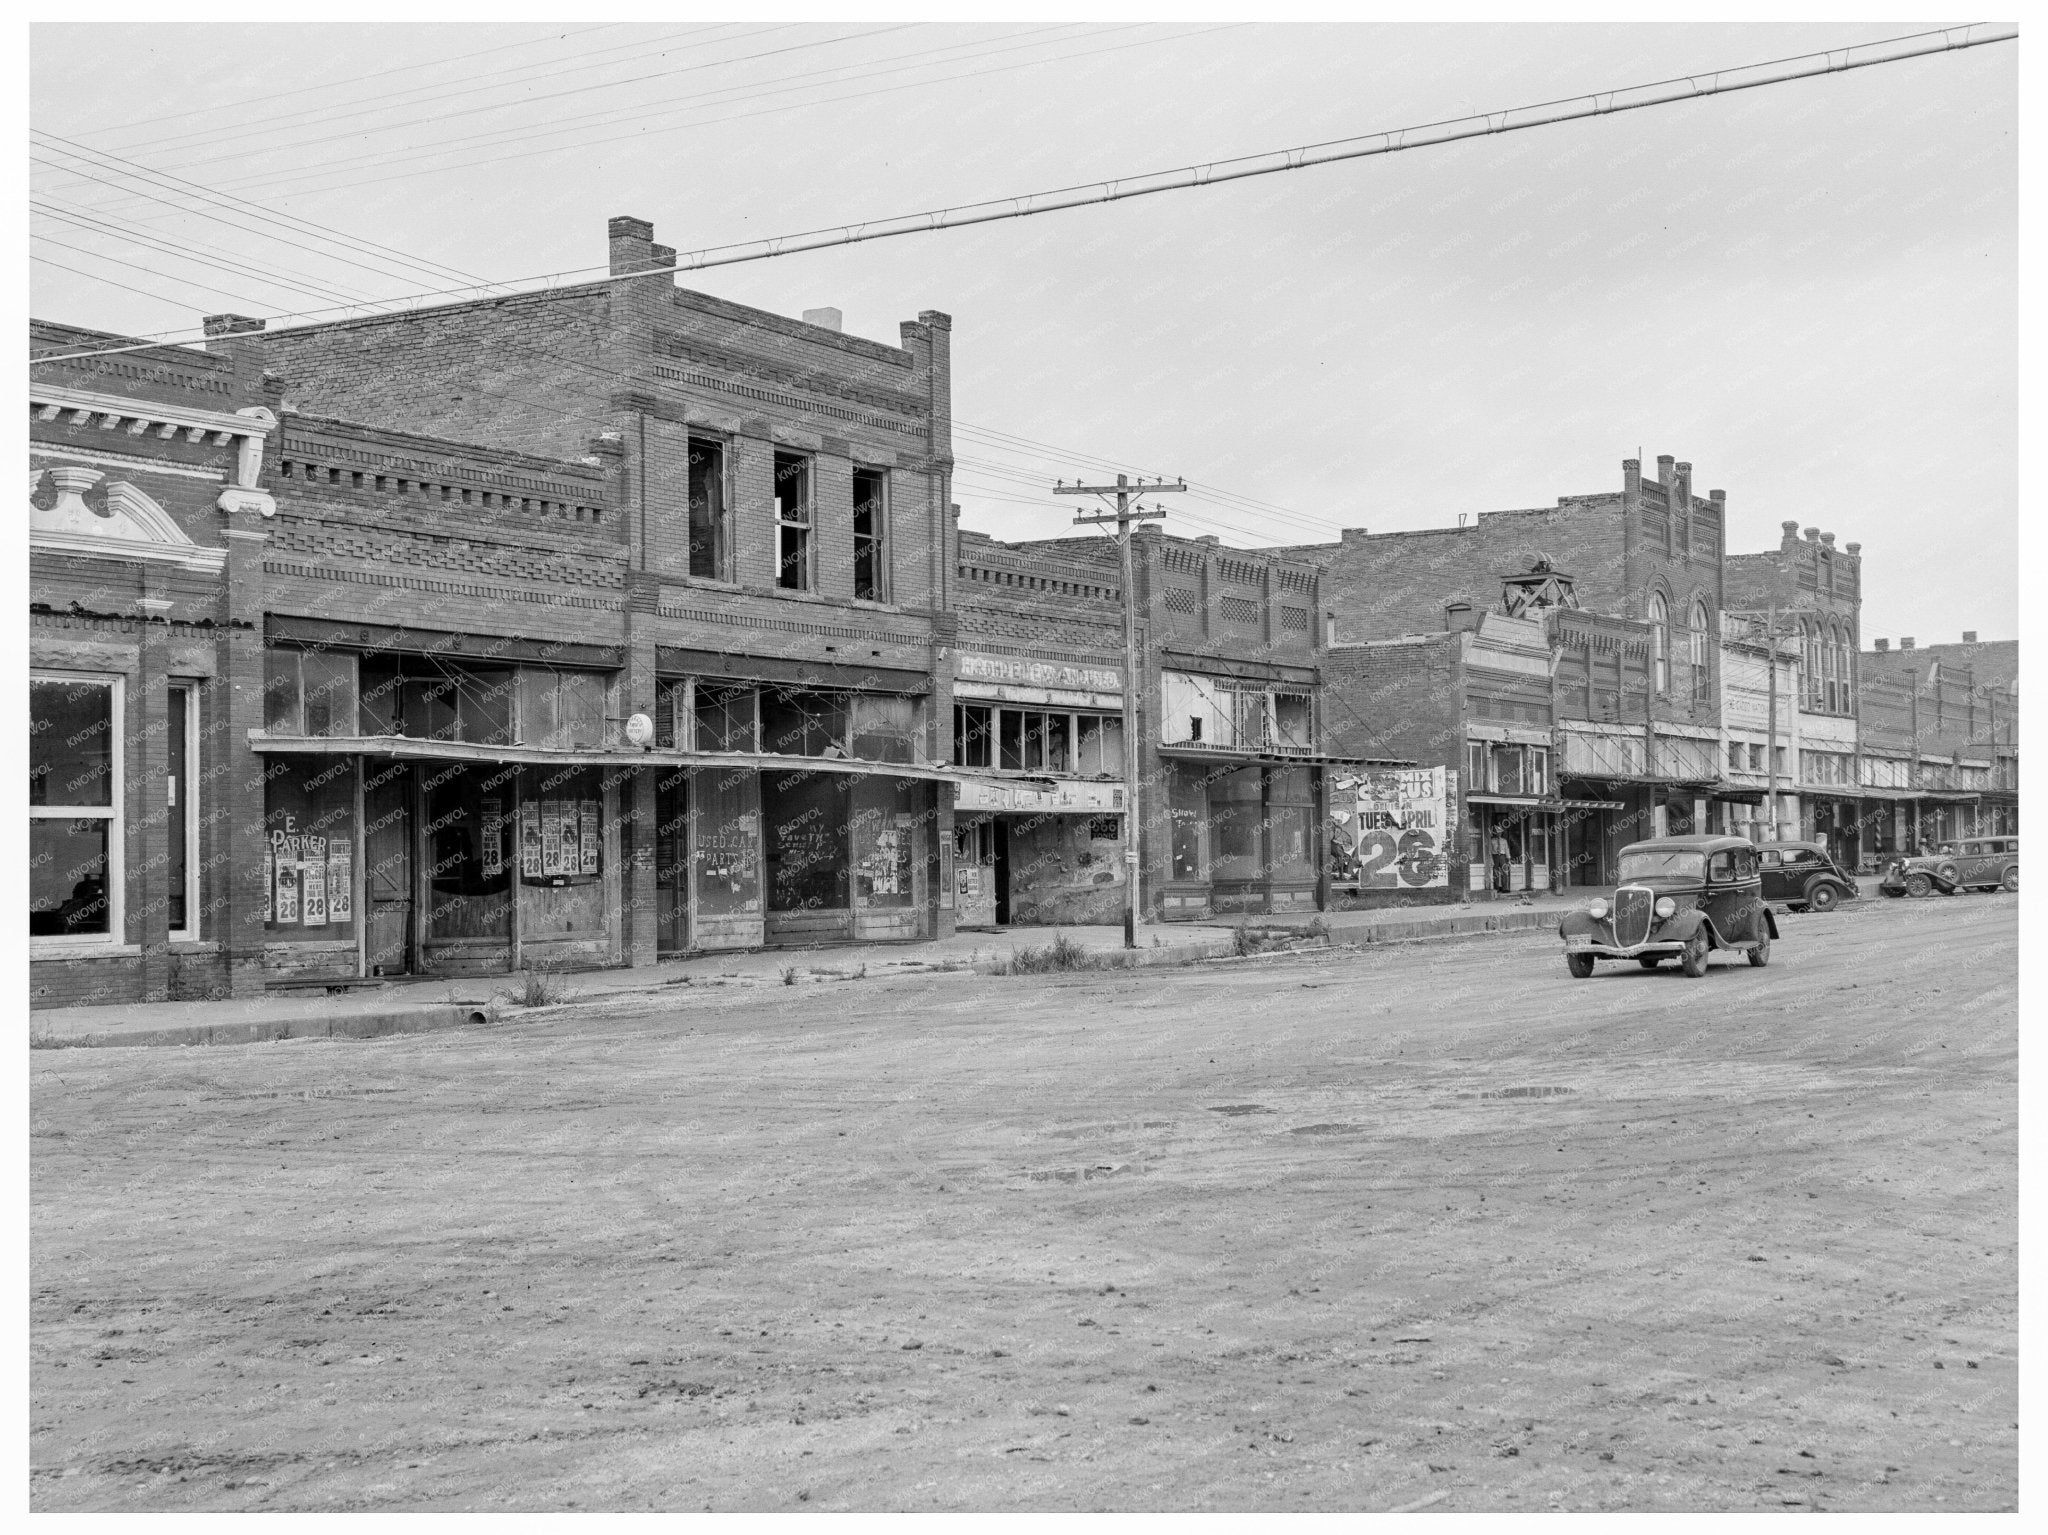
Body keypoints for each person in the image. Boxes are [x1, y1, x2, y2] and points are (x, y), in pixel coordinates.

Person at [1491, 829, 1512, 894]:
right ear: (1495, 833)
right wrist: (1491, 860)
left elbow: (1506, 849)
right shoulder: (1492, 841)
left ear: (1501, 833)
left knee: (1505, 872)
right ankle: (1496, 888)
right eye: (1497, 832)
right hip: (1495, 856)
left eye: (1500, 832)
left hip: (1503, 856)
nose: (1498, 834)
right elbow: (1490, 850)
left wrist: (1508, 858)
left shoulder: (1504, 841)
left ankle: (1505, 888)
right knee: (1495, 873)